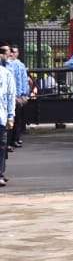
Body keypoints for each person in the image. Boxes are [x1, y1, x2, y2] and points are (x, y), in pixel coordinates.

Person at [0, 41, 15, 187]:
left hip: (1, 116)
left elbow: (11, 95)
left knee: (2, 146)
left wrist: (11, 116)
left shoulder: (5, 73)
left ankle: (0, 173)